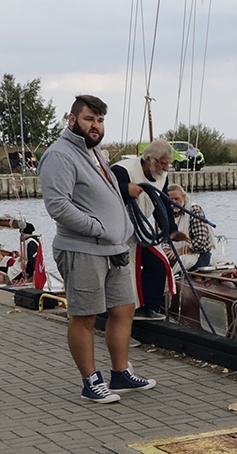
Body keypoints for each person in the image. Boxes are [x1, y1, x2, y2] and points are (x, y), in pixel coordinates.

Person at [39, 94, 156, 403]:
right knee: (85, 316)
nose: (95, 125)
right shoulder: (60, 156)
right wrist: (99, 229)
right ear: (72, 119)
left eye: (100, 120)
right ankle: (90, 381)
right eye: (89, 119)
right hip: (82, 249)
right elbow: (58, 206)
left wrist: (123, 229)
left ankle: (120, 373)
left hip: (113, 248)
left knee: (124, 309)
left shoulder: (95, 153)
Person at [111, 139, 187, 320]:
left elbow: (162, 205)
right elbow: (103, 194)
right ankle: (125, 312)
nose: (166, 169)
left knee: (159, 263)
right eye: (163, 164)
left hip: (140, 232)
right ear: (149, 160)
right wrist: (124, 190)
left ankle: (148, 308)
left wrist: (172, 231)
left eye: (168, 164)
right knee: (127, 273)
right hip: (118, 232)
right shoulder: (123, 171)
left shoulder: (161, 176)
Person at [164, 184, 215, 273]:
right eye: (170, 200)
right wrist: (166, 250)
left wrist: (180, 251)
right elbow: (164, 239)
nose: (173, 202)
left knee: (168, 267)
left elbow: (200, 240)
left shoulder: (194, 210)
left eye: (177, 199)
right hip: (175, 253)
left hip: (198, 255)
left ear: (184, 197)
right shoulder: (167, 213)